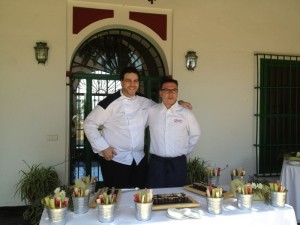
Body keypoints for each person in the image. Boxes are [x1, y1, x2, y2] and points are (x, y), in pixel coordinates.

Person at [83, 67, 191, 189]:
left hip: (139, 160)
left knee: (139, 196)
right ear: (122, 82)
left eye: (136, 81)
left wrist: (179, 104)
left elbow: (164, 109)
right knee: (118, 197)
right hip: (116, 159)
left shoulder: (145, 101)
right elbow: (89, 123)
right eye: (128, 81)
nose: (132, 84)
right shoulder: (109, 102)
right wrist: (103, 147)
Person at [146, 78, 201, 188]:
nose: (171, 93)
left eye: (174, 90)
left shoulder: (186, 113)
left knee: (178, 195)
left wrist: (185, 150)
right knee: (155, 194)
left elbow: (196, 134)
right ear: (161, 93)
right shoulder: (151, 111)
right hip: (156, 163)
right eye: (167, 90)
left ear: (177, 92)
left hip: (178, 163)